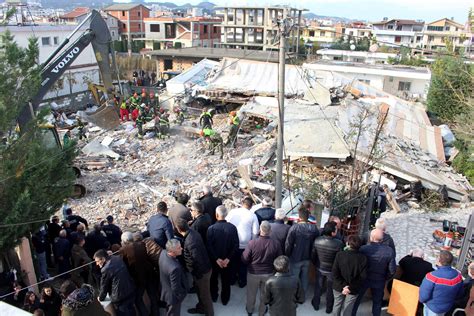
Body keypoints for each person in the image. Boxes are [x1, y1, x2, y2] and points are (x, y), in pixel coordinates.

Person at [351, 229, 396, 316]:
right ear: (382, 239)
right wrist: (385, 277)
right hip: (380, 280)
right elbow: (392, 270)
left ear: (371, 238)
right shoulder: (389, 251)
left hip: (364, 279)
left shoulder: (363, 249)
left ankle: (352, 314)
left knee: (357, 300)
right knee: (377, 303)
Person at [242, 221, 282, 316]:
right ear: (270, 231)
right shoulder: (276, 244)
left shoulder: (252, 243)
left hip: (253, 273)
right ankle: (261, 312)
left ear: (260, 230)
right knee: (265, 294)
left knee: (251, 293)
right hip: (268, 273)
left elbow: (244, 259)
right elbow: (279, 259)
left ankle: (250, 310)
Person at [175, 219, 214, 316]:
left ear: (179, 230)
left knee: (205, 296)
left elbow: (198, 260)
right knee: (200, 292)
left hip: (202, 273)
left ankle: (209, 314)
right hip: (200, 271)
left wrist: (197, 274)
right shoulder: (193, 233)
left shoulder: (190, 241)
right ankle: (201, 308)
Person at [284, 201, 320, 300]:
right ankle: (302, 296)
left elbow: (288, 244)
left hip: (295, 257)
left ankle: (293, 296)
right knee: (305, 278)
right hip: (308, 257)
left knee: (294, 278)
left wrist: (288, 255)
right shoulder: (314, 228)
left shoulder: (294, 228)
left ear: (299, 217)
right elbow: (316, 242)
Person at [120, 231, 159, 316]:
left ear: (124, 241)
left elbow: (124, 264)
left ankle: (144, 313)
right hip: (149, 273)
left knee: (138, 299)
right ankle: (156, 313)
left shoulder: (123, 249)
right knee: (152, 295)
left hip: (138, 277)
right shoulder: (141, 244)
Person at [207, 205, 239, 305]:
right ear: (226, 215)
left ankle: (214, 296)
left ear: (216, 215)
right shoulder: (232, 228)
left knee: (214, 279)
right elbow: (236, 245)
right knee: (226, 281)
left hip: (215, 261)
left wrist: (217, 259)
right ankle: (225, 299)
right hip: (227, 262)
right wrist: (228, 259)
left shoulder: (211, 229)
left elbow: (209, 246)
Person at [226, 197, 260, 288]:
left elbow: (226, 223)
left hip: (231, 242)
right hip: (245, 245)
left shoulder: (233, 212)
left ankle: (232, 280)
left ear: (242, 202)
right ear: (251, 206)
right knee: (243, 264)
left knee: (232, 262)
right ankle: (242, 282)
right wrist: (252, 244)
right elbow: (255, 232)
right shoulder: (252, 215)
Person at [311, 221, 344, 313]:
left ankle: (316, 304)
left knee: (318, 287)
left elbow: (313, 255)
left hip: (319, 267)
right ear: (332, 232)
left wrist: (316, 264)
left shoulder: (317, 240)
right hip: (332, 270)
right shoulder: (339, 243)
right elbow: (340, 259)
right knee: (330, 290)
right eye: (336, 229)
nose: (337, 231)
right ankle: (329, 308)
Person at [419, 250, 463, 316]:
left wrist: (421, 301)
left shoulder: (432, 277)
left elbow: (423, 296)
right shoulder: (458, 276)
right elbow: (459, 294)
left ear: (439, 260)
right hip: (446, 307)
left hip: (432, 308)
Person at [332, 235, 367, 316]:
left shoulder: (340, 255)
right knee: (348, 308)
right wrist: (349, 287)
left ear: (348, 244)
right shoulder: (363, 258)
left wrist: (344, 286)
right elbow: (362, 277)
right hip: (354, 288)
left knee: (337, 305)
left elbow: (335, 272)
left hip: (338, 286)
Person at [94, 249, 136, 316]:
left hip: (120, 297)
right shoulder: (117, 258)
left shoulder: (105, 269)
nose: (97, 264)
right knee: (131, 310)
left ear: (103, 259)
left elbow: (104, 286)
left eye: (97, 261)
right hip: (130, 290)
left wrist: (101, 298)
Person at [159, 239, 188, 316]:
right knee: (173, 313)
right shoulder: (174, 268)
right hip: (173, 297)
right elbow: (176, 288)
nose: (181, 248)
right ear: (172, 251)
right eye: (179, 248)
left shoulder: (163, 253)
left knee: (169, 310)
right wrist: (182, 295)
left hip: (166, 290)